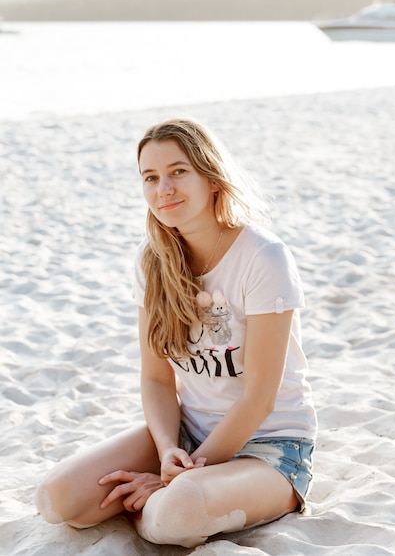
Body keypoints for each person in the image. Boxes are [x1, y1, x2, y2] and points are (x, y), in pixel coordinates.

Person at [35, 118, 317, 548]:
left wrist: (174, 479)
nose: (163, 188)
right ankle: (171, 491)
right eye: (151, 177)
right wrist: (168, 451)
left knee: (177, 510)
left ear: (211, 177)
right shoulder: (153, 263)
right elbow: (155, 379)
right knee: (60, 499)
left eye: (178, 171)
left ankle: (168, 499)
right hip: (189, 435)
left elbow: (259, 397)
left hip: (271, 448)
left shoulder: (263, 256)